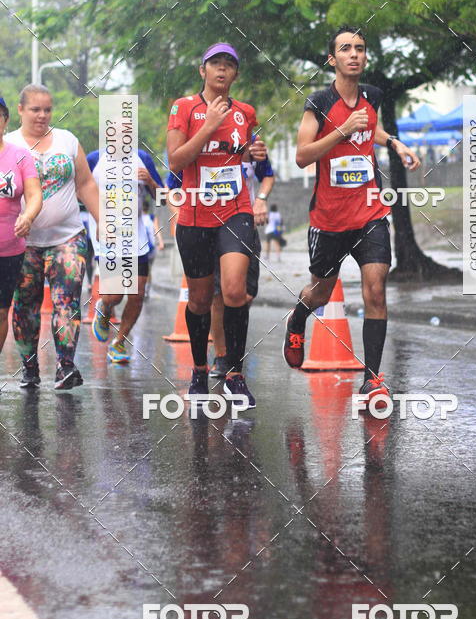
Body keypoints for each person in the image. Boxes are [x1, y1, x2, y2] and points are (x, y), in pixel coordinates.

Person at [282, 26, 421, 403]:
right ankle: (297, 318)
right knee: (321, 293)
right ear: (333, 59)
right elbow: (302, 155)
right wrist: (341, 130)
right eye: (346, 49)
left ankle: (372, 378)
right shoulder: (319, 102)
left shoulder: (372, 96)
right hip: (328, 219)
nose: (354, 54)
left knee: (376, 289)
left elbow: (370, 127)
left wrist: (393, 141)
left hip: (370, 212)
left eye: (360, 48)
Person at [167, 43, 266, 407]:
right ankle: (198, 369)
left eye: (229, 65)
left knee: (236, 290)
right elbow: (176, 161)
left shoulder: (245, 112)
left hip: (235, 211)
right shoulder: (184, 107)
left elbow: (248, 149)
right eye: (215, 65)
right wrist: (207, 125)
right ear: (202, 70)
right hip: (194, 214)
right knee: (200, 300)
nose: (222, 71)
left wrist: (257, 152)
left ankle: (234, 373)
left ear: (235, 74)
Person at [6, 85, 99, 390]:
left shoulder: (67, 141)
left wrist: (106, 224)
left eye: (47, 109)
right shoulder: (8, 145)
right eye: (35, 109)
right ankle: (30, 367)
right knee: (25, 306)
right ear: (20, 110)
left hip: (68, 237)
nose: (43, 115)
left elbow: (86, 185)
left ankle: (66, 366)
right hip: (21, 243)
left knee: (66, 301)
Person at [88, 149, 162, 362]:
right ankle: (105, 306)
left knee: (137, 296)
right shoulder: (95, 159)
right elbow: (80, 192)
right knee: (115, 296)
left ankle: (119, 343)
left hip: (136, 241)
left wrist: (150, 181)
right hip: (108, 239)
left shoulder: (143, 159)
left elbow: (162, 198)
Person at [209, 144, 275, 377]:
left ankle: (231, 347)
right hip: (211, 223)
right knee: (219, 296)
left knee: (244, 294)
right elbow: (175, 180)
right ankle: (222, 356)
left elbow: (267, 174)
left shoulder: (251, 140)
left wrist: (261, 199)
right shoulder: (200, 135)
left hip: (243, 225)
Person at [0, 96, 42, 361]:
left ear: (4, 120)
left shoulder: (19, 155)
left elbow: (35, 194)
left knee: (1, 311)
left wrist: (28, 215)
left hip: (8, 248)